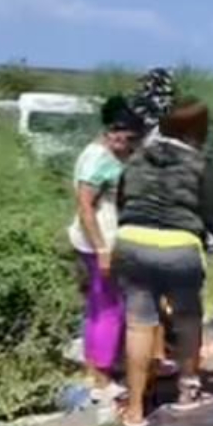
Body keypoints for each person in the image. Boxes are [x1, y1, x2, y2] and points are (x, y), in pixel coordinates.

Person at [112, 97, 213, 426]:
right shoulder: (201, 164)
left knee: (139, 324)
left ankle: (134, 410)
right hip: (180, 247)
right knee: (188, 319)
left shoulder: (136, 158)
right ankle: (187, 393)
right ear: (198, 129)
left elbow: (122, 200)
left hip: (132, 242)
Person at [67, 95, 144, 401]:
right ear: (113, 132)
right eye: (127, 140)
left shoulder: (100, 154)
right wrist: (102, 249)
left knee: (99, 306)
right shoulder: (99, 159)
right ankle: (102, 376)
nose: (130, 146)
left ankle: (97, 366)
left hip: (103, 239)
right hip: (99, 241)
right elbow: (85, 207)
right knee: (110, 309)